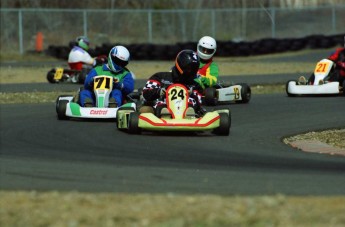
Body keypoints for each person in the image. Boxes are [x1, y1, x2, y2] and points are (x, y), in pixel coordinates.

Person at [140, 49, 204, 115]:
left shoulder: (195, 84)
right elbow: (146, 93)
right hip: (161, 108)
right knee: (145, 110)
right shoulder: (160, 77)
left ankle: (188, 115)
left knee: (191, 103)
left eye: (193, 68)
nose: (190, 71)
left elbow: (199, 101)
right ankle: (164, 114)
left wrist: (191, 93)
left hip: (186, 109)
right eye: (188, 68)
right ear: (181, 65)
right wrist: (160, 92)